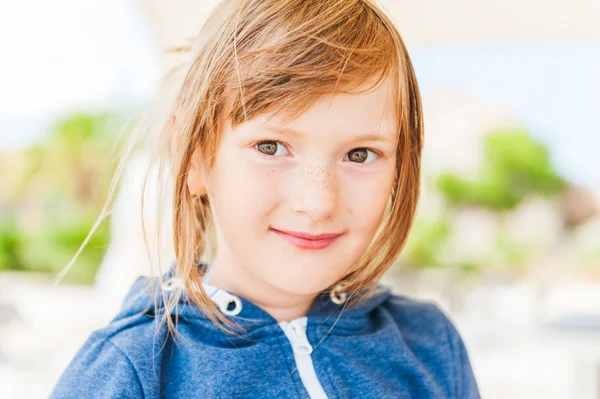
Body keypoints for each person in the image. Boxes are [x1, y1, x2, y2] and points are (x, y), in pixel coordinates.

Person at [50, 0, 480, 397]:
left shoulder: (429, 346)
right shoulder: (130, 372)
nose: (317, 201)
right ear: (196, 155)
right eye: (271, 147)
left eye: (360, 154)